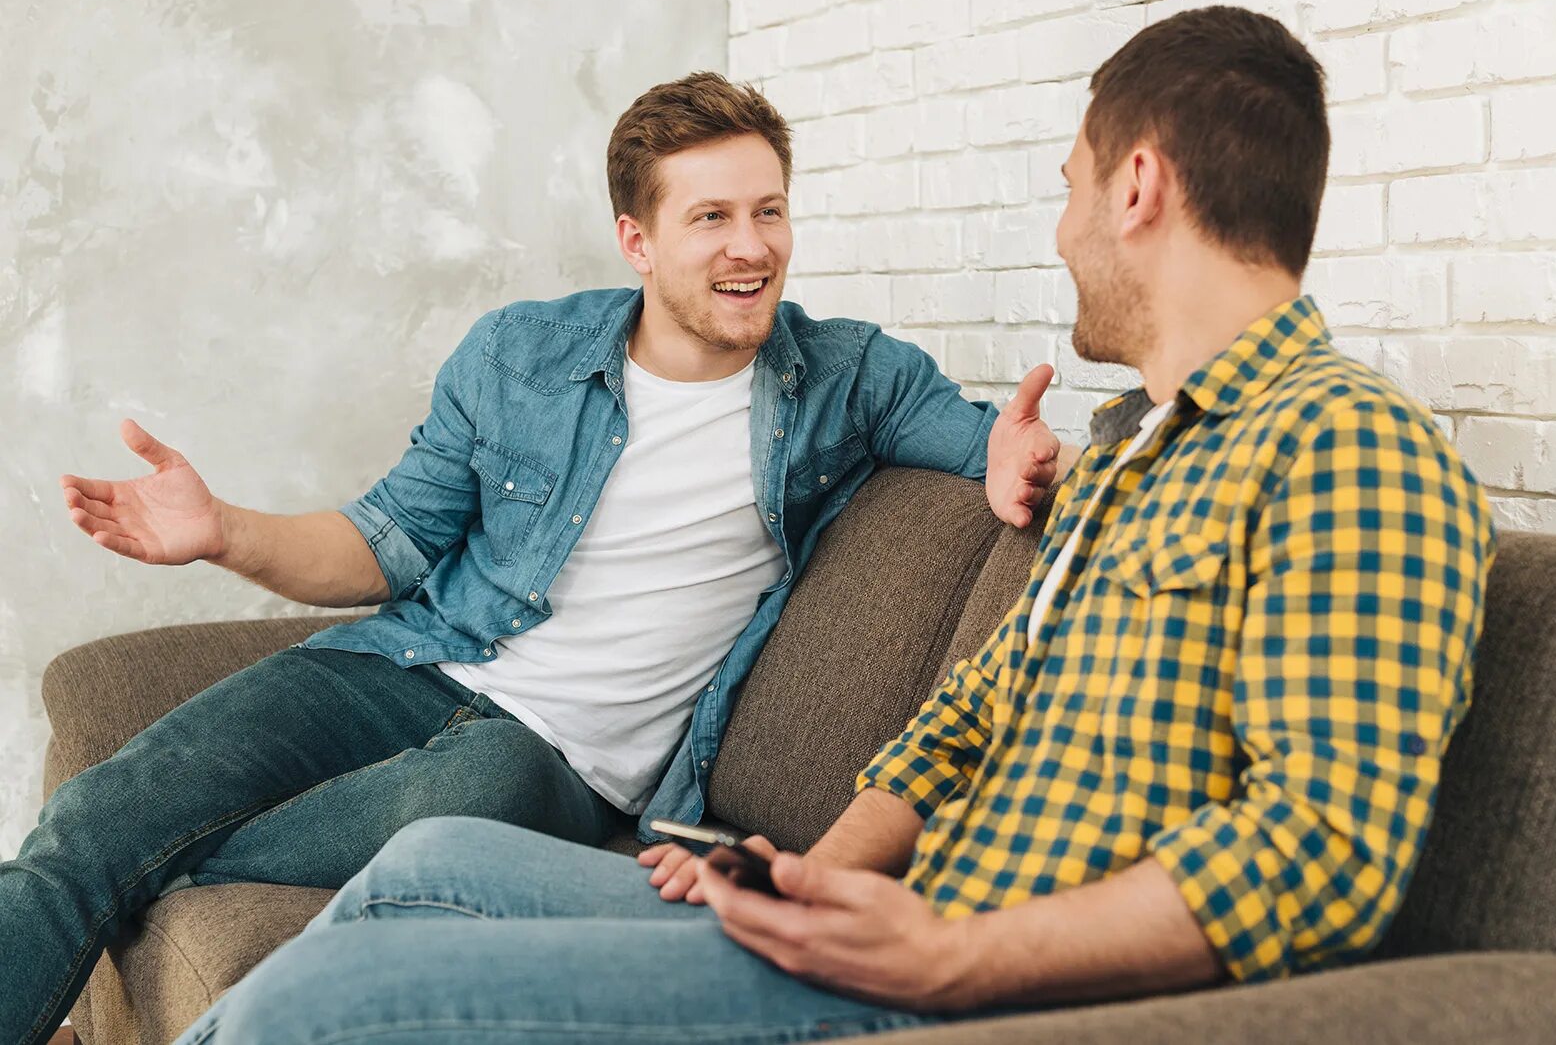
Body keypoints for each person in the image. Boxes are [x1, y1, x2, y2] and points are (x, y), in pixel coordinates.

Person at [176, 5, 1496, 1045]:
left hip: (975, 987)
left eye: (1071, 186)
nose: (1064, 226)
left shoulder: (1348, 447)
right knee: (436, 863)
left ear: (1138, 186)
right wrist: (798, 875)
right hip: (890, 923)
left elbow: (1320, 850)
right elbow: (962, 723)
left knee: (313, 1011)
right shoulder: (1132, 462)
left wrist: (947, 953)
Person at [3, 72, 1067, 1045]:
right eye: (711, 217)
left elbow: (985, 441)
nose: (751, 246)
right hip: (407, 663)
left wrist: (1018, 454)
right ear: (636, 240)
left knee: (437, 803)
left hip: (559, 762)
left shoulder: (849, 376)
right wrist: (224, 531)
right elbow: (388, 545)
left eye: (768, 209)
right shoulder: (521, 354)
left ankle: (137, 877)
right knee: (100, 809)